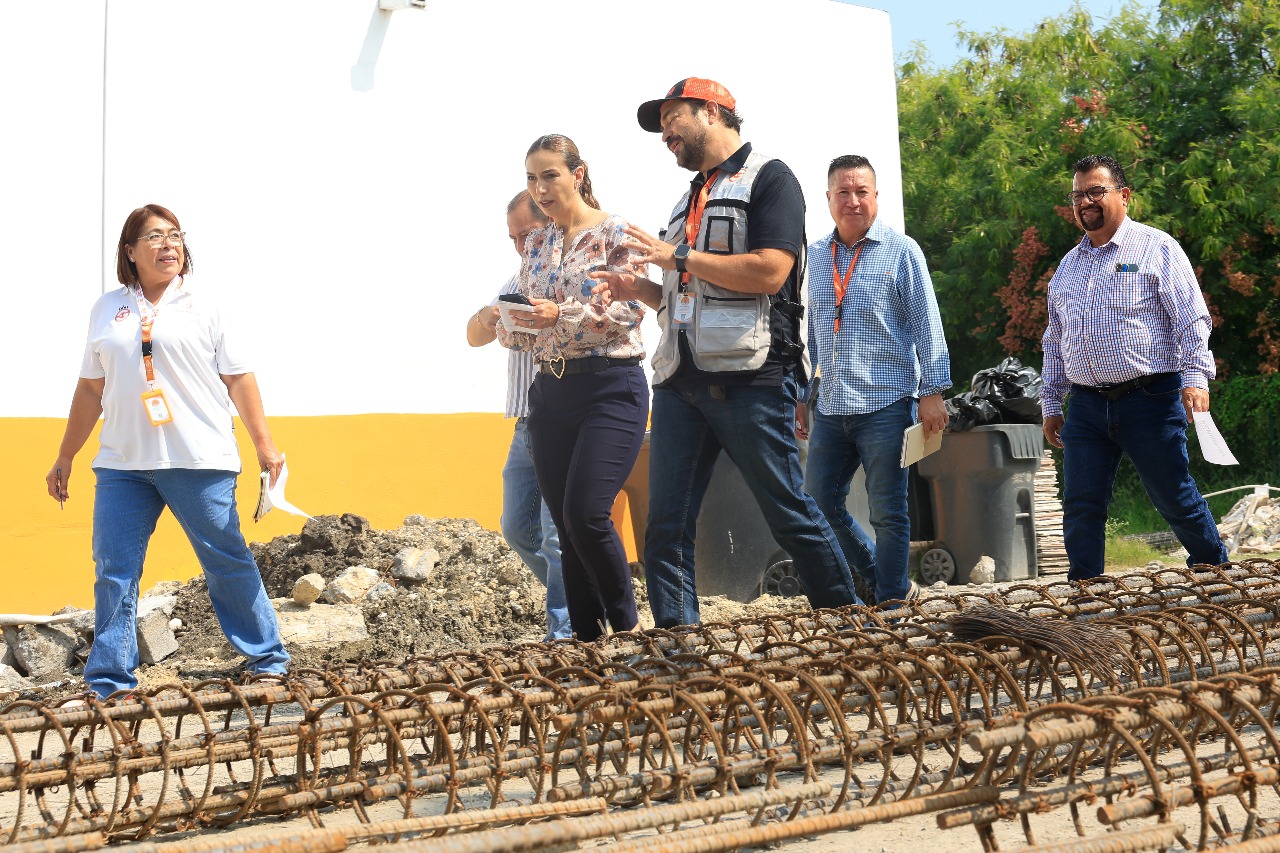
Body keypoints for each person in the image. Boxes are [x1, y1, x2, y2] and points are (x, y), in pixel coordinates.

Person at [592, 78, 862, 628]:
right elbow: (683, 291)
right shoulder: (689, 197)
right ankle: (678, 647)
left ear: (712, 112)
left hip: (750, 376)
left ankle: (850, 623)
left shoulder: (771, 178)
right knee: (665, 527)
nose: (665, 132)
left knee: (788, 513)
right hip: (679, 381)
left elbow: (771, 270)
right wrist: (637, 289)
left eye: (673, 117)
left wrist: (680, 257)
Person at [46, 204, 290, 699]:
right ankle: (111, 680)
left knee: (225, 559)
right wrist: (66, 455)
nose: (168, 245)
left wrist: (265, 446)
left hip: (198, 460)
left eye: (175, 235)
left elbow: (239, 378)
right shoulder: (107, 308)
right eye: (154, 237)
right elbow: (91, 390)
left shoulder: (207, 304)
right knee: (114, 569)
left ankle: (267, 659)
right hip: (122, 464)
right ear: (130, 251)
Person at [1041, 154, 1229, 580]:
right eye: (1077, 195)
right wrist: (1051, 403)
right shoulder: (1068, 268)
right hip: (1086, 406)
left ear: (1123, 196)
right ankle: (1085, 598)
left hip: (1151, 398)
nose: (1085, 201)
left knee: (1173, 496)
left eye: (1095, 191)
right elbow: (1055, 341)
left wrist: (1196, 379)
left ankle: (1216, 574)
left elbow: (1191, 317)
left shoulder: (1156, 247)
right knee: (1082, 503)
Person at [495, 134, 649, 642]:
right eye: (531, 178)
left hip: (611, 386)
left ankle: (628, 629)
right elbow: (525, 328)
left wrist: (558, 314)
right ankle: (586, 641)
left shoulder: (614, 232)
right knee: (563, 525)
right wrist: (505, 321)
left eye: (549, 175)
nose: (539, 188)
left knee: (586, 513)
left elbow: (628, 311)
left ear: (577, 174)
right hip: (550, 392)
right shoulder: (537, 243)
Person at [799, 155, 951, 604]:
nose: (852, 201)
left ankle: (890, 605)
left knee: (889, 513)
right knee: (817, 504)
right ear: (828, 199)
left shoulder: (902, 252)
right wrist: (803, 394)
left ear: (876, 197)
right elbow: (813, 333)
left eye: (861, 191)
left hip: (886, 405)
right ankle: (888, 583)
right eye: (842, 192)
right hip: (830, 407)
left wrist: (932, 392)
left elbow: (928, 325)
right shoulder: (815, 255)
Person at [466, 190, 571, 641]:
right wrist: (489, 316)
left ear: (549, 223)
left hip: (566, 418)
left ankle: (566, 631)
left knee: (555, 534)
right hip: (527, 422)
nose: (519, 246)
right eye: (512, 238)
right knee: (516, 528)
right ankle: (589, 599)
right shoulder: (517, 278)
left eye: (525, 234)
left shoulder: (569, 273)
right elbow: (472, 335)